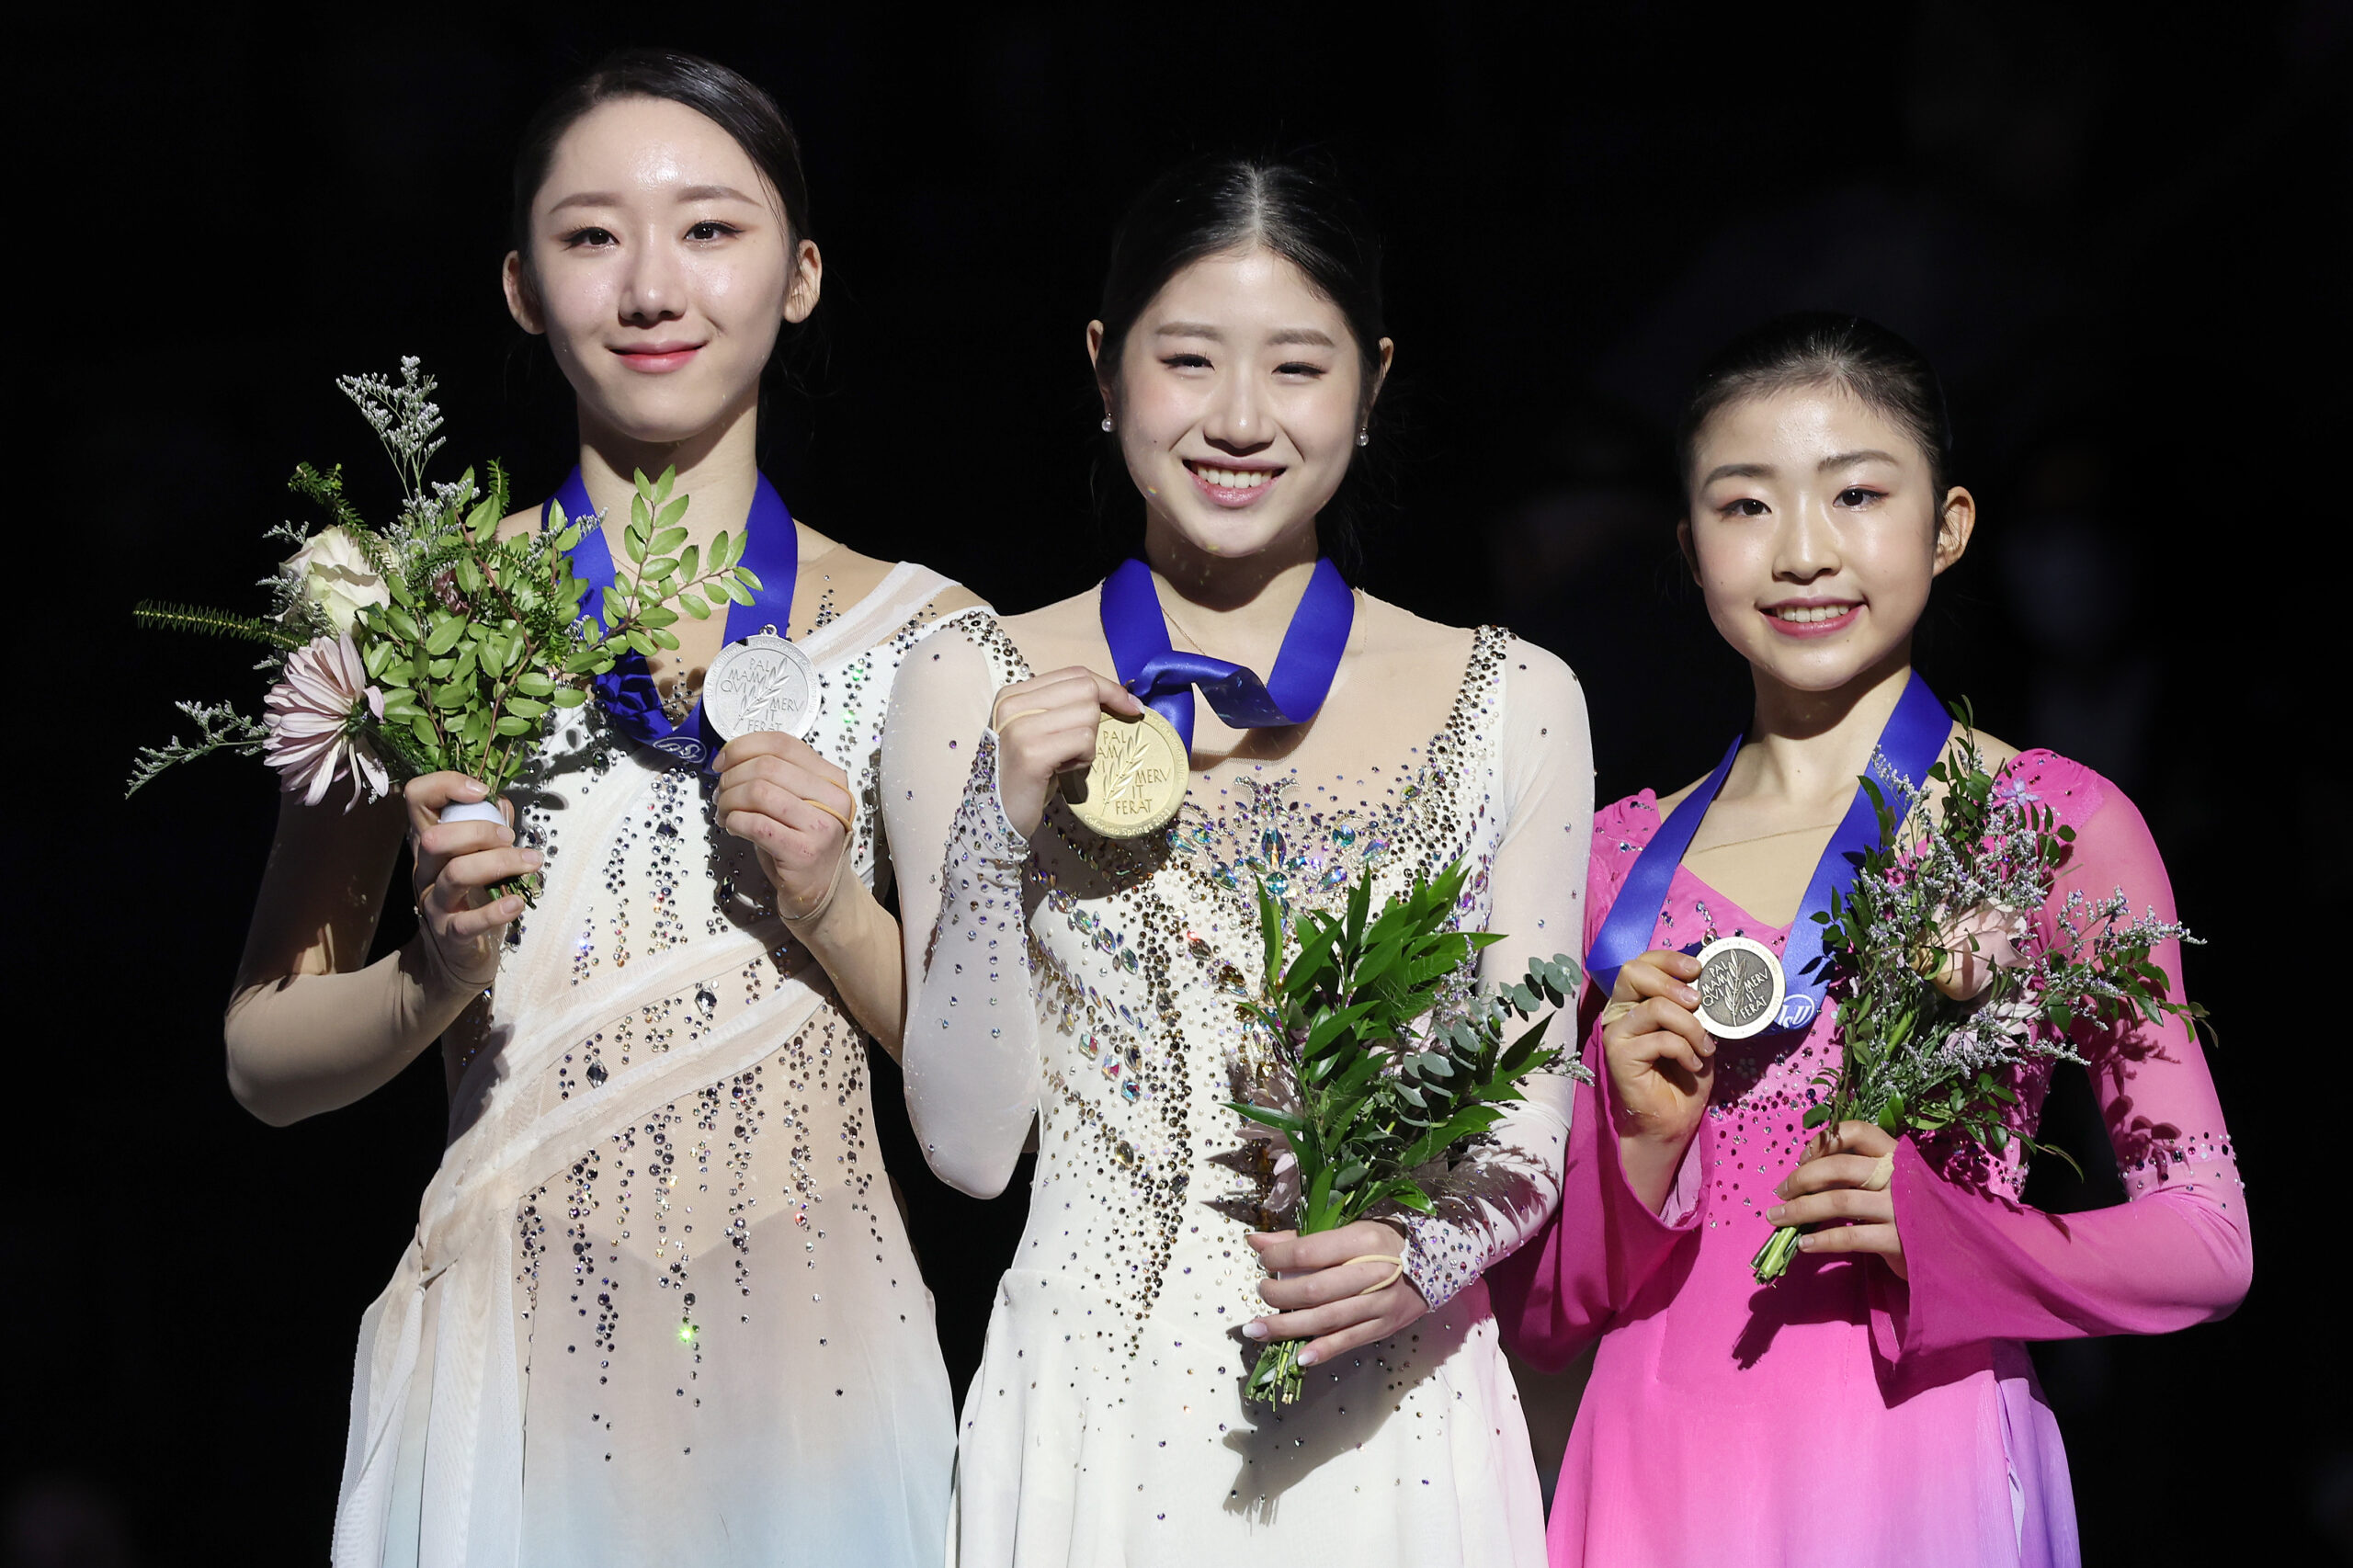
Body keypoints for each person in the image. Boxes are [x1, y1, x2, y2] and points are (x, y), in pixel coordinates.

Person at [224, 50, 980, 1567]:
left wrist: (835, 904)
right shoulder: (411, 617)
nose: (650, 287)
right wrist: (430, 974)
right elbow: (263, 1052)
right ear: (518, 284)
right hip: (511, 1358)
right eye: (589, 237)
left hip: (818, 1372)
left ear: (805, 272)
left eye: (710, 229)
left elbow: (986, 1101)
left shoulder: (927, 634)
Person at [880, 155, 1592, 1566]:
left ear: (1374, 384)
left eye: (1299, 367)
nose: (1240, 419)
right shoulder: (969, 674)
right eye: (1188, 359)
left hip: (1397, 1426)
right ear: (1103, 366)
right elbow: (968, 1147)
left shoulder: (1519, 697)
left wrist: (1413, 1256)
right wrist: (990, 819)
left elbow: (1528, 1116)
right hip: (1091, 1413)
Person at [1490, 312, 2250, 1567]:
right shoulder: (1614, 859)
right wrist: (1634, 1153)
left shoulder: (2055, 827)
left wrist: (1954, 1235)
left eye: (1855, 493)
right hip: (1656, 1465)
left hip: (1912, 1459)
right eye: (1745, 507)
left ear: (1947, 526)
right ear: (1687, 548)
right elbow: (1545, 1299)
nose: (1801, 552)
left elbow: (2207, 1239)